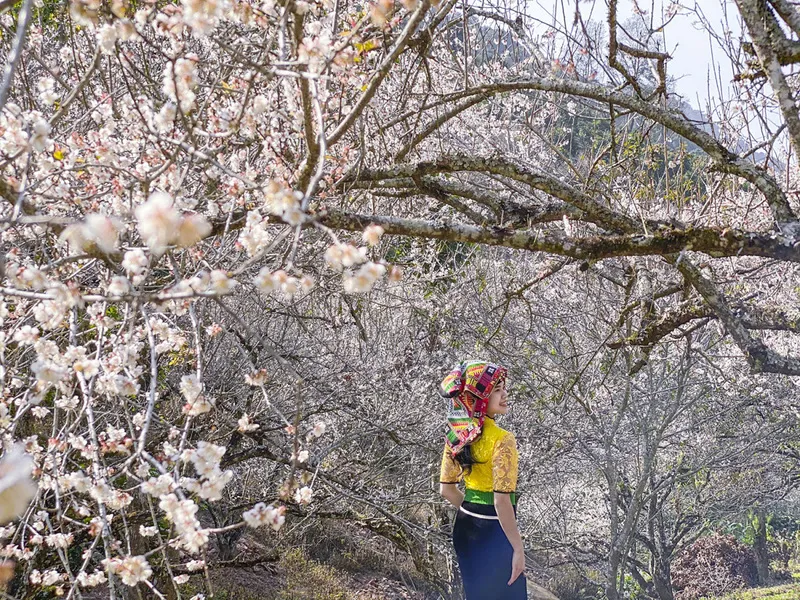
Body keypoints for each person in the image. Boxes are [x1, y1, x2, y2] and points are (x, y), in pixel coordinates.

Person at [438, 360, 526, 600]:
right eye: (496, 390)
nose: (504, 394)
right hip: (495, 533)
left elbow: (446, 490)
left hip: (465, 528)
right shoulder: (502, 439)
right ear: (480, 398)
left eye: (503, 388)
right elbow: (501, 502)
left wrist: (472, 509)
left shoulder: (456, 432)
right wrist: (518, 548)